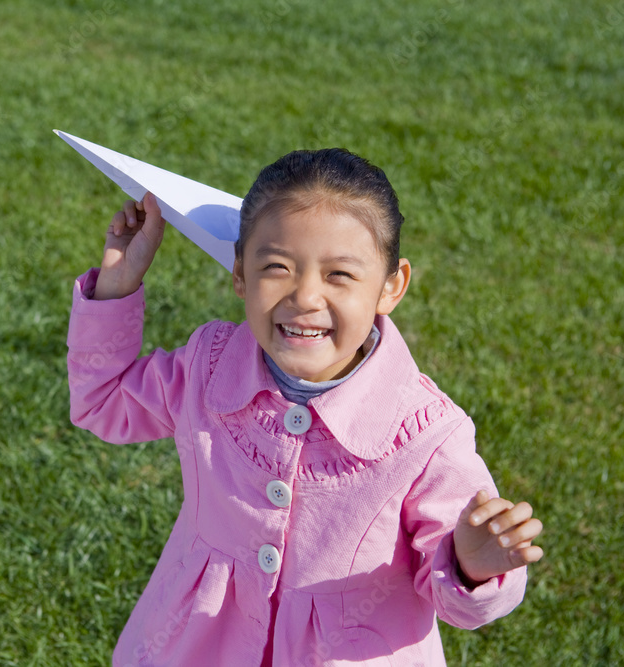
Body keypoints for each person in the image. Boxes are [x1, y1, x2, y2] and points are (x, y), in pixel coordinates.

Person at [67, 148, 544, 666]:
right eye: (277, 267)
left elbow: (458, 600)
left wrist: (472, 565)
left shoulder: (426, 435)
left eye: (339, 275)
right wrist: (119, 282)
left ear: (392, 287)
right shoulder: (209, 367)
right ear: (240, 276)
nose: (305, 296)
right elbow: (103, 401)